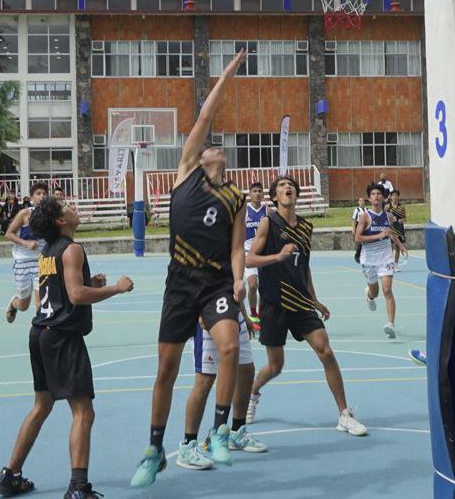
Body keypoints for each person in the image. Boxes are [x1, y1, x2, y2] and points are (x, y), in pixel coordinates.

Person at [130, 49, 248, 489]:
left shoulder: (234, 196)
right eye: (208, 144)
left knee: (230, 348)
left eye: (218, 145)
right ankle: (155, 449)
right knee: (166, 370)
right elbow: (203, 115)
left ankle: (219, 430)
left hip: (216, 281)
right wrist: (228, 73)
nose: (213, 145)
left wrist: (238, 278)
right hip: (180, 282)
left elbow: (237, 247)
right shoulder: (185, 172)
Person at [0, 196, 134, 499]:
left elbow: (56, 291)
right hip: (61, 338)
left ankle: (10, 475)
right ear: (60, 221)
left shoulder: (48, 251)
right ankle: (78, 488)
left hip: (40, 332)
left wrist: (89, 282)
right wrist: (114, 289)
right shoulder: (71, 249)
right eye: (66, 208)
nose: (73, 208)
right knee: (84, 412)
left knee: (42, 406)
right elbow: (75, 295)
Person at [244, 175, 367, 436]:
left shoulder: (306, 227)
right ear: (275, 197)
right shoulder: (268, 222)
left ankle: (344, 414)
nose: (288, 188)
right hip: (274, 302)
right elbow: (250, 260)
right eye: (281, 186)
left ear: (296, 194)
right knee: (275, 366)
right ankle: (253, 392)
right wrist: (278, 256)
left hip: (300, 301)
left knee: (326, 352)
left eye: (291, 186)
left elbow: (304, 266)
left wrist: (315, 299)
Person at [177, 312, 266, 471]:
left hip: (232, 312)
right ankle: (187, 446)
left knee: (246, 370)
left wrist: (243, 314)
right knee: (205, 380)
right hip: (207, 313)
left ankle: (236, 432)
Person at [355, 184, 405, 338]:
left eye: (378, 194)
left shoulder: (388, 216)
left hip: (385, 257)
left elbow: (390, 232)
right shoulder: (365, 217)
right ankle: (369, 295)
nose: (376, 196)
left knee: (387, 290)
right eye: (373, 194)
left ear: (383, 197)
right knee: (375, 292)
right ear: (369, 198)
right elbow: (357, 238)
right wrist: (379, 236)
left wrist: (400, 245)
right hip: (369, 258)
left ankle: (391, 324)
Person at [4, 182, 49, 323]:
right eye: (38, 193)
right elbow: (9, 234)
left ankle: (41, 329)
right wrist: (26, 243)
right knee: (23, 305)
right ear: (31, 198)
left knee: (41, 300)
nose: (42, 196)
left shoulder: (50, 216)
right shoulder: (24, 214)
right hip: (22, 262)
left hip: (41, 263)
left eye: (44, 194)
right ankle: (13, 304)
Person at [243, 182, 266, 321]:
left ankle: (262, 314)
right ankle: (253, 314)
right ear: (250, 194)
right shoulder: (244, 210)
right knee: (252, 285)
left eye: (259, 191)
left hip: (263, 253)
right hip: (248, 252)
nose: (257, 193)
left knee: (264, 287)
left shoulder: (267, 209)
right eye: (254, 191)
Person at [386, 189, 408, 267]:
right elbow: (384, 216)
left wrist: (402, 220)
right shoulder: (387, 207)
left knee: (398, 247)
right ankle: (390, 263)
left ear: (398, 197)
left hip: (399, 229)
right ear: (391, 197)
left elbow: (405, 218)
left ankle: (395, 264)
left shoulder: (401, 207)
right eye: (393, 195)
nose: (395, 197)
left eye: (396, 195)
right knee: (390, 247)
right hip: (391, 229)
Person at [350, 196, 366, 264]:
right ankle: (357, 256)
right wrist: (353, 229)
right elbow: (354, 220)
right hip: (359, 227)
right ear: (358, 202)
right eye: (360, 201)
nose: (362, 202)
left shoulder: (367, 210)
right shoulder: (357, 210)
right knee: (360, 243)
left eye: (363, 201)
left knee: (364, 243)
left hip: (365, 227)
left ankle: (363, 256)